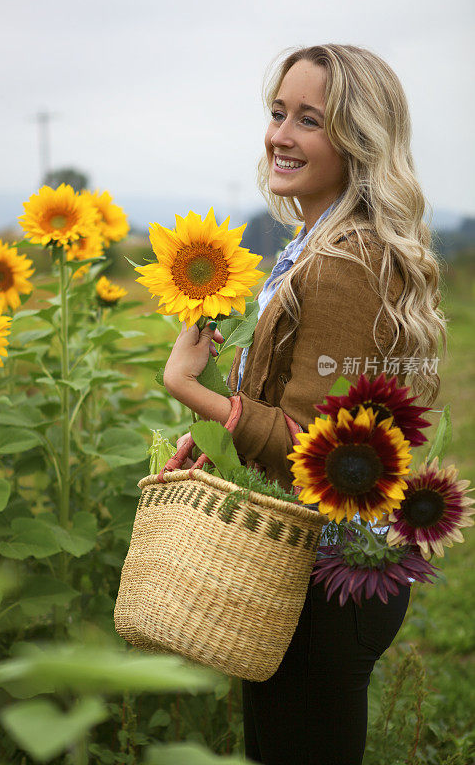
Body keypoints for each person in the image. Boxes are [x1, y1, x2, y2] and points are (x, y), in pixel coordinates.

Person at [163, 44, 446, 765]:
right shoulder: (312, 244)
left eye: (309, 120)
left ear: (357, 141)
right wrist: (222, 452)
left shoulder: (343, 262)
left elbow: (317, 453)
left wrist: (190, 388)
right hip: (311, 564)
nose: (279, 135)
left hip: (327, 582)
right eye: (277, 112)